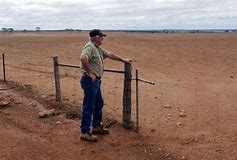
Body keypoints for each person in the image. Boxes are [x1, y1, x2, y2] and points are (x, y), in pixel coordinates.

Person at [80, 29, 132, 142]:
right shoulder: (89, 47)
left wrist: (123, 60)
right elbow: (83, 58)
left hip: (96, 82)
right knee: (89, 106)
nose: (103, 38)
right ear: (96, 37)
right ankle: (85, 132)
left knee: (99, 103)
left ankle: (96, 126)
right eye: (101, 37)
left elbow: (109, 54)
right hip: (90, 81)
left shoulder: (97, 48)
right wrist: (89, 73)